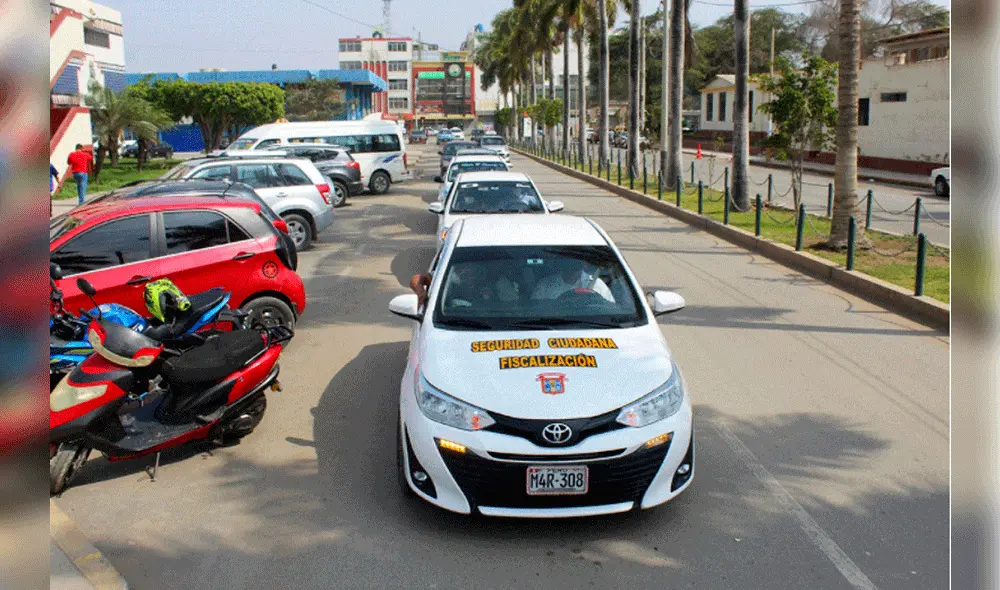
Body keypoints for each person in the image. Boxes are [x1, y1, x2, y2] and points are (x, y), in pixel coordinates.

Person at [531, 257, 613, 302]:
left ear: (584, 265)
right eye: (569, 265)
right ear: (561, 265)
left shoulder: (597, 284)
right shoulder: (545, 286)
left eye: (576, 265)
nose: (572, 269)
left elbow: (610, 309)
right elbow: (535, 310)